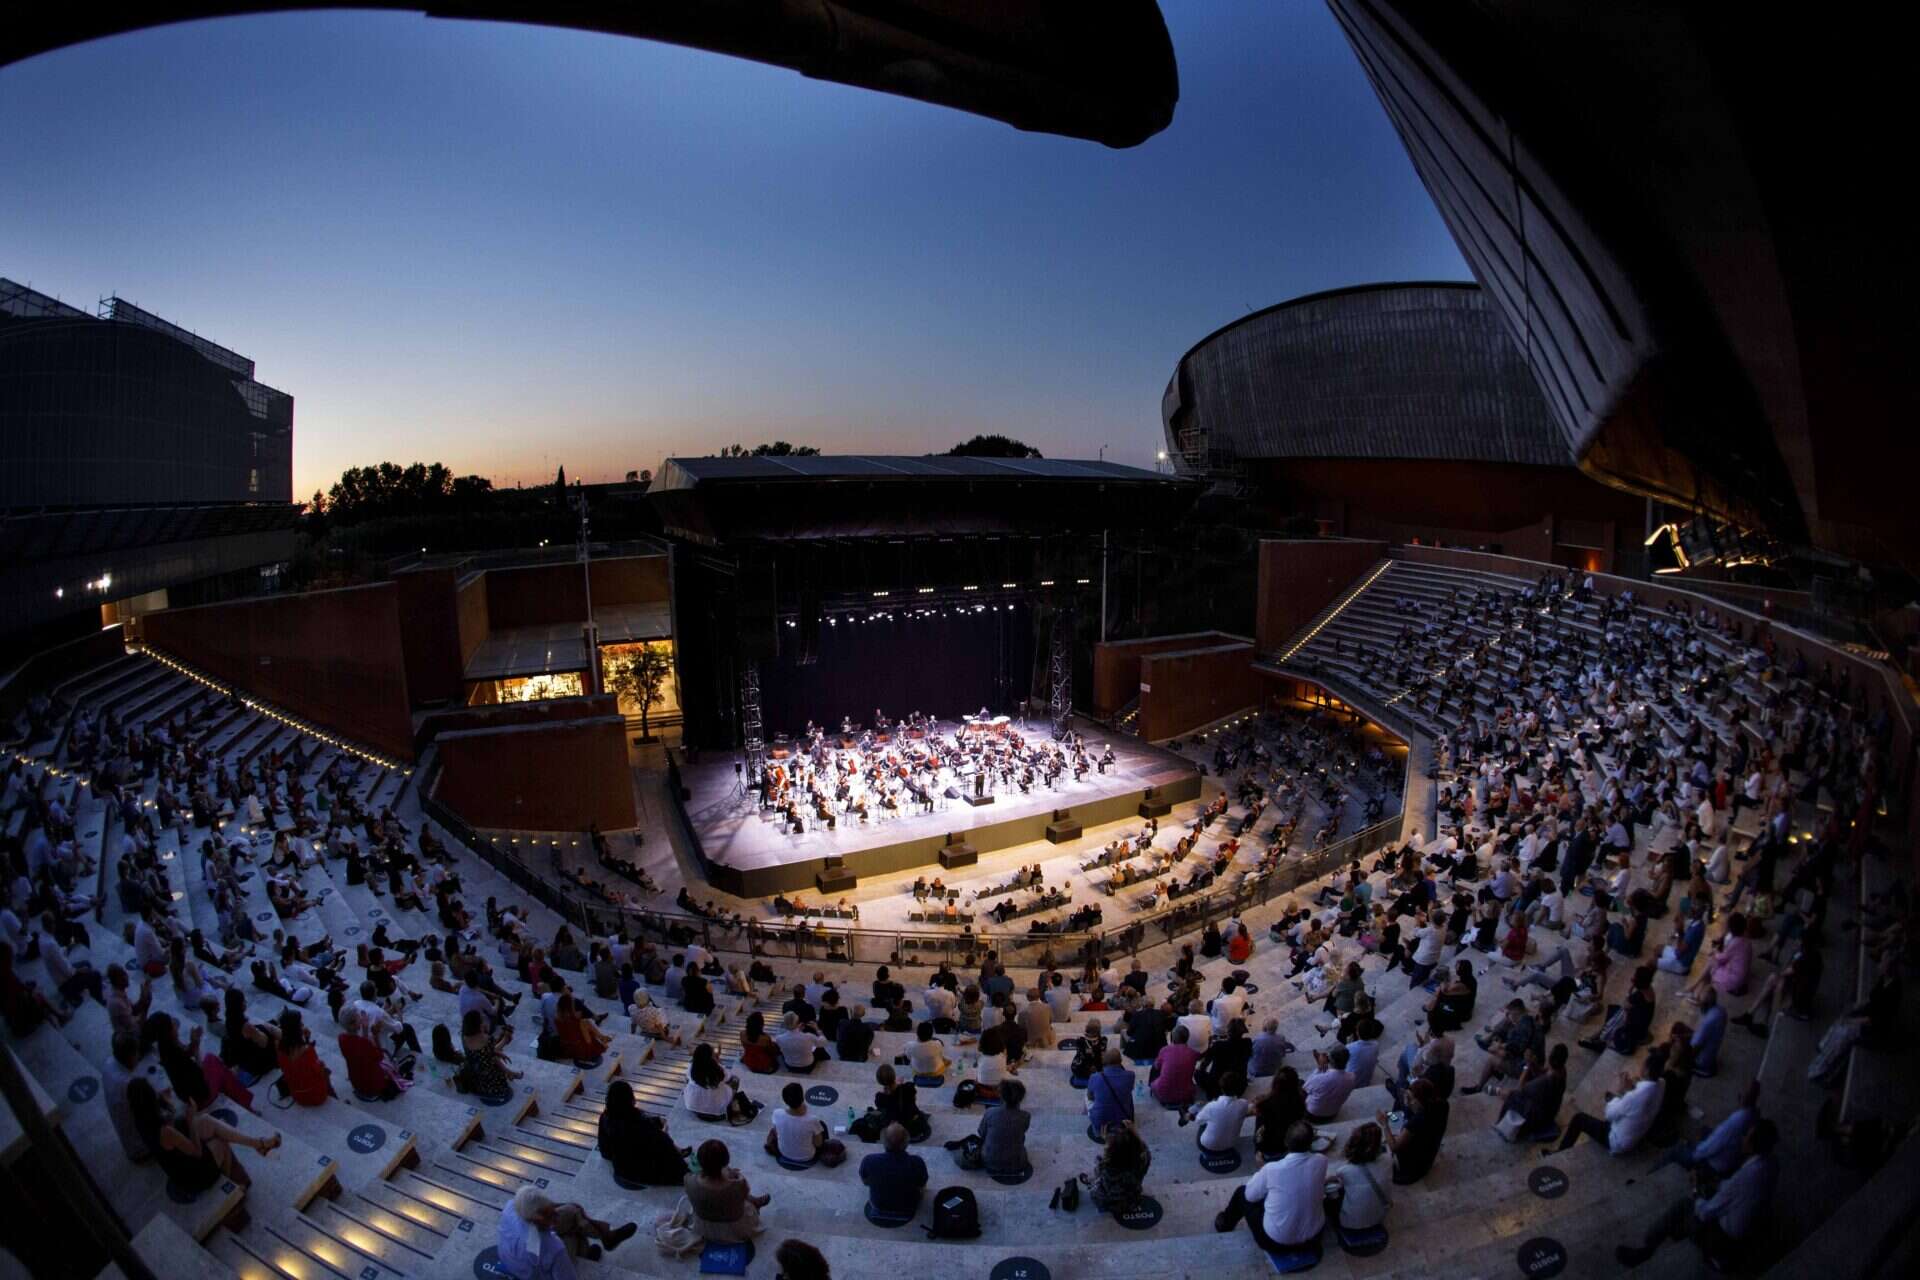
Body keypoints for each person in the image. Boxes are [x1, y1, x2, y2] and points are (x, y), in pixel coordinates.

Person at [1614, 1121, 1780, 1269]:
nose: (1743, 1138)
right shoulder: (1770, 1164)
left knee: (1683, 1206)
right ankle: (1677, 1232)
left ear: (1752, 1145)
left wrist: (1695, 1189)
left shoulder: (1745, 1177)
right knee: (1706, 1191)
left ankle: (1646, 1249)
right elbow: (1730, 1190)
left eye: (1747, 1136)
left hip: (1722, 1241)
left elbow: (1705, 1212)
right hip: (1744, 1227)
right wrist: (1713, 1185)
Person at [126, 1076, 279, 1194]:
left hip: (180, 1159)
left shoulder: (142, 1122)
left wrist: (168, 1103)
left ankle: (259, 1144)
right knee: (220, 1142)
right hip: (192, 1175)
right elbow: (196, 1152)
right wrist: (191, 1120)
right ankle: (228, 1187)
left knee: (206, 1120)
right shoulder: (165, 1131)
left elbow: (174, 1129)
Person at [1213, 1122, 1326, 1250]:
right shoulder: (1322, 1160)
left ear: (1286, 1143)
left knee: (1241, 1193)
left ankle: (1225, 1224)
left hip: (1275, 1242)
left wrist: (1262, 1170)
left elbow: (1250, 1196)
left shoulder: (1272, 1169)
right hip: (1314, 1237)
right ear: (1311, 1142)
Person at [496, 1186, 637, 1277]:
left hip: (510, 1257)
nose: (556, 1217)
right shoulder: (553, 1248)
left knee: (572, 1210)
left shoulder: (511, 1207)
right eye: (550, 1215)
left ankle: (606, 1237)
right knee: (574, 1233)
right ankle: (587, 1251)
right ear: (537, 1219)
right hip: (533, 1274)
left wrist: (563, 1207)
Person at [1545, 1055, 1665, 1157]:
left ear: (1647, 1070)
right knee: (1610, 1097)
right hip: (1636, 1133)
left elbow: (1609, 1115)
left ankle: (1560, 1152)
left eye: (1643, 1064)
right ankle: (1612, 1099)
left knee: (1579, 1119)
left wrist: (1621, 1090)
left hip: (1617, 1141)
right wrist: (1629, 1090)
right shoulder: (1662, 1084)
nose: (1641, 1066)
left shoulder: (1635, 1096)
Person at [598, 1080, 688, 1187]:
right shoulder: (641, 1124)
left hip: (621, 1170)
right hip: (642, 1173)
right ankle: (678, 1151)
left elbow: (605, 1152)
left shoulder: (605, 1118)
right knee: (665, 1144)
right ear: (630, 1099)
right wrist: (664, 1134)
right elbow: (663, 1146)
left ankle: (677, 1149)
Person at [685, 1139, 768, 1243]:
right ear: (725, 1161)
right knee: (743, 1200)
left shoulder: (689, 1180)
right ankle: (755, 1202)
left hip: (704, 1226)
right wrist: (734, 1176)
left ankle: (755, 1201)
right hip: (733, 1228)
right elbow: (742, 1194)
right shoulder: (738, 1183)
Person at [1381, 1076, 1448, 1185]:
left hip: (1409, 1170)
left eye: (1411, 1098)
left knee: (1382, 1145)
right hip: (1427, 1158)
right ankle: (1394, 1091)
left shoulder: (1417, 1121)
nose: (1408, 1101)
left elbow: (1395, 1147)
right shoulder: (1443, 1105)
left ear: (1420, 1101)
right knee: (1397, 1115)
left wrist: (1384, 1124)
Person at [1327, 1123, 1391, 1232]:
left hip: (1349, 1222)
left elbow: (1331, 1181)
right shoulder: (1388, 1159)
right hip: (1379, 1217)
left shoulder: (1345, 1170)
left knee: (1330, 1192)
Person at [1497, 1043, 1568, 1142]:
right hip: (1550, 1109)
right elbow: (1542, 1071)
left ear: (1551, 1058)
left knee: (1511, 1095)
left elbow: (1520, 1088)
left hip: (1541, 1115)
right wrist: (1533, 1063)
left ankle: (1507, 1126)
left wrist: (1527, 1065)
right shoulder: (1561, 1070)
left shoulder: (1546, 1081)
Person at [859, 1123, 928, 1219]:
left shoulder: (869, 1160)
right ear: (906, 1142)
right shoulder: (917, 1162)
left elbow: (865, 1182)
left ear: (884, 1142)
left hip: (878, 1206)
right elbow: (922, 1183)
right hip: (908, 1208)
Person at [1087, 1121, 1152, 1212]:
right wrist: (1135, 1134)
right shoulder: (1144, 1159)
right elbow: (1142, 1148)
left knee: (1095, 1186)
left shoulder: (1106, 1167)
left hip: (1110, 1202)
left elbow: (1100, 1175)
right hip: (1132, 1197)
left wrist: (1107, 1141)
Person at [683, 1043, 754, 1124]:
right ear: (711, 1057)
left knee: (688, 1080)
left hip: (695, 1109)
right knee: (735, 1080)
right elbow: (729, 1077)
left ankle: (695, 1097)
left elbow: (688, 1079)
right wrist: (718, 1061)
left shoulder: (691, 1068)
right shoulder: (718, 1070)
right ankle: (728, 1101)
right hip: (718, 1113)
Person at [978, 1078, 1032, 1176]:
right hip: (1017, 1164)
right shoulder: (1026, 1116)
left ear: (1001, 1096)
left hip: (989, 1162)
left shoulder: (990, 1113)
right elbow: (1022, 1133)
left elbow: (981, 1133)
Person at [768, 1082, 826, 1165]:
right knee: (821, 1125)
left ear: (785, 1100)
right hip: (807, 1156)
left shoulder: (777, 1113)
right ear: (802, 1099)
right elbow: (818, 1144)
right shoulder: (812, 1120)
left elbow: (776, 1133)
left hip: (784, 1153)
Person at [1085, 1048, 1136, 1140]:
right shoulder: (1130, 1075)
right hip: (1123, 1122)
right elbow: (1130, 1089)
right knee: (1128, 1093)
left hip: (1100, 1126)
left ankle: (1090, 1116)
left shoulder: (1095, 1077)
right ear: (1120, 1061)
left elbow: (1090, 1097)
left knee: (1087, 1094)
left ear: (1104, 1062)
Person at [1194, 1072, 1251, 1153]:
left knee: (1203, 1121)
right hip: (1231, 1143)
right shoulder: (1244, 1104)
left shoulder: (1211, 1106)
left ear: (1221, 1087)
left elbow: (1198, 1120)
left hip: (1208, 1145)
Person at [1150, 1024, 1200, 1110]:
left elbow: (1156, 1066)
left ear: (1172, 1038)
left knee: (1155, 1066)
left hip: (1164, 1093)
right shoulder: (1193, 1053)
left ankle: (1153, 1086)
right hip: (1186, 1094)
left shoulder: (1164, 1050)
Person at [1304, 1044, 1357, 1123]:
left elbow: (1305, 1087)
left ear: (1330, 1060)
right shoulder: (1352, 1078)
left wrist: (1320, 1067)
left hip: (1313, 1115)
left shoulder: (1320, 1078)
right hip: (1332, 1114)